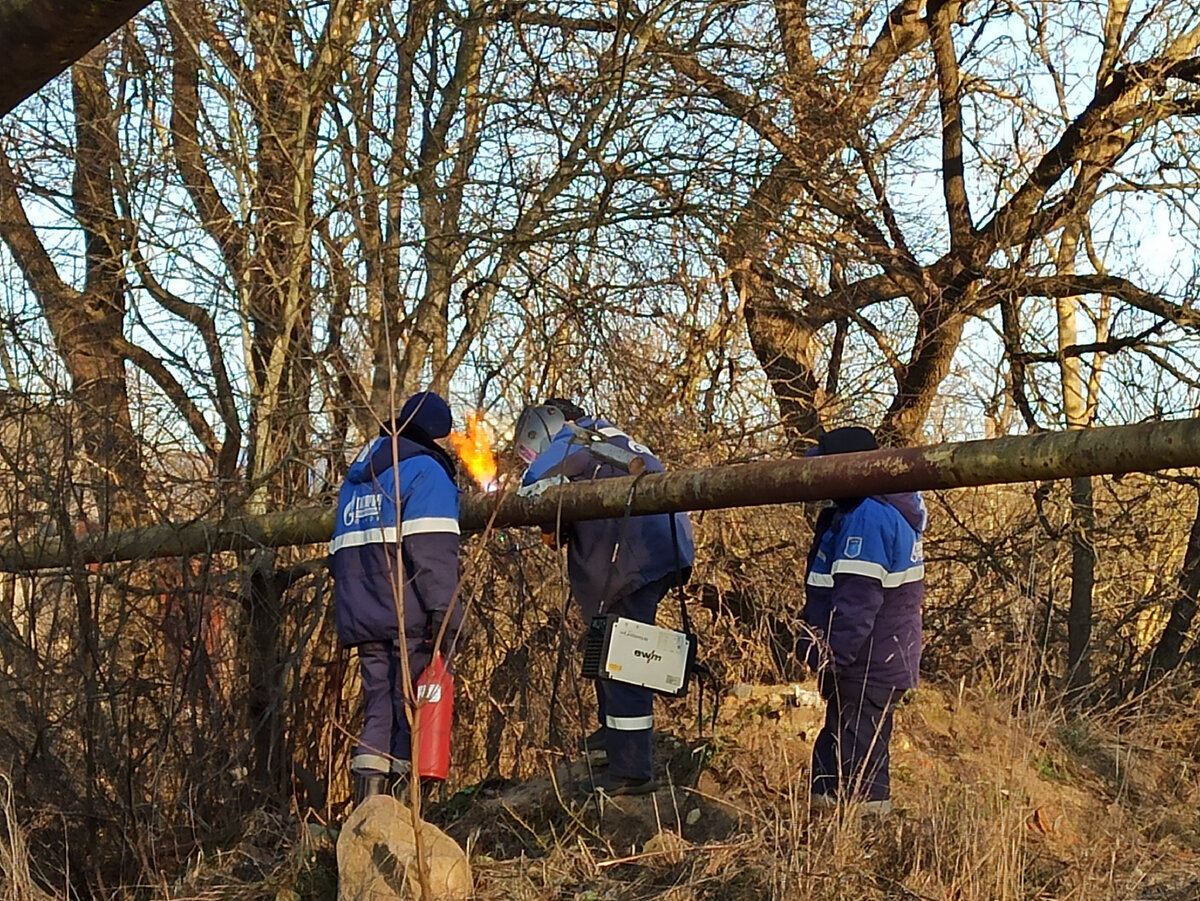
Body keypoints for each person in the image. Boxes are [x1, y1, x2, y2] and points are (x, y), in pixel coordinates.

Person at [516, 399, 695, 797]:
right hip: (659, 547)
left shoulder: (577, 436)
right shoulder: (609, 437)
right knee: (606, 638)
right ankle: (610, 731)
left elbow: (533, 482)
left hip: (634, 556)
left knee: (623, 651)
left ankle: (631, 768)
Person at [330, 391, 463, 803]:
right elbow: (433, 556)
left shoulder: (358, 479)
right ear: (434, 436)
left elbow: (340, 556)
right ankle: (407, 827)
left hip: (364, 615)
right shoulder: (425, 473)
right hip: (410, 618)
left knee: (378, 714)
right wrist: (446, 617)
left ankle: (366, 819)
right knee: (412, 719)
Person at [799, 426, 926, 815]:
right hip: (869, 662)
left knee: (858, 759)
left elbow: (857, 599)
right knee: (843, 747)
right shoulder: (867, 511)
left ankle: (862, 839)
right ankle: (828, 831)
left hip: (866, 663)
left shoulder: (867, 518)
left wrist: (830, 655)